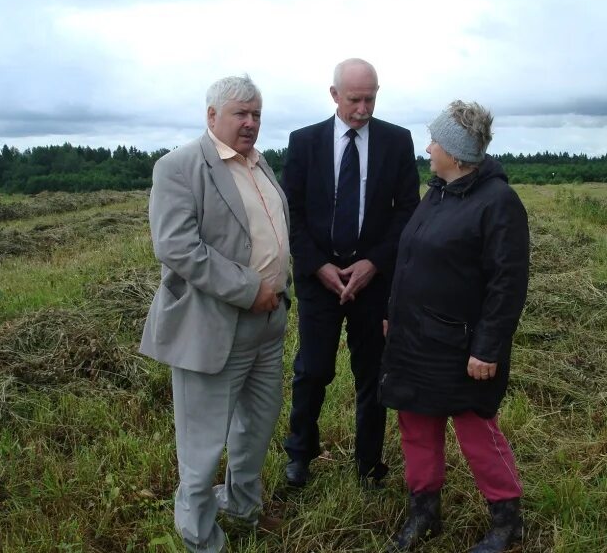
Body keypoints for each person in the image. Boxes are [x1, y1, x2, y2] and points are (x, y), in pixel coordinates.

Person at [140, 75, 290, 553]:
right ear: (212, 116)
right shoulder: (179, 167)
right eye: (240, 113)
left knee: (257, 425)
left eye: (256, 114)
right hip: (213, 326)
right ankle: (200, 536)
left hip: (269, 325)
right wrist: (251, 290)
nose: (250, 123)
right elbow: (178, 247)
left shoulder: (259, 164)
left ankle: (243, 505)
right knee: (202, 445)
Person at [380, 100, 530, 552]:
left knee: (476, 431)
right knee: (416, 425)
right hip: (414, 340)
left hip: (461, 347)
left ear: (457, 152)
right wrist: (394, 314)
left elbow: (508, 284)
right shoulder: (439, 192)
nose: (428, 148)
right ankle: (425, 513)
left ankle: (507, 522)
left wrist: (487, 349)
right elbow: (411, 260)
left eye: (435, 142)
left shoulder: (498, 203)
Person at [281, 58, 420, 489]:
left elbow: (407, 213)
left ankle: (368, 464)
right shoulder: (304, 142)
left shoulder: (397, 142)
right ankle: (299, 455)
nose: (363, 108)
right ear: (334, 94)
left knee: (373, 373)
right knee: (313, 369)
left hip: (373, 280)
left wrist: (373, 262)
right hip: (319, 279)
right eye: (355, 99)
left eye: (371, 98)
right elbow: (292, 212)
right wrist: (318, 266)